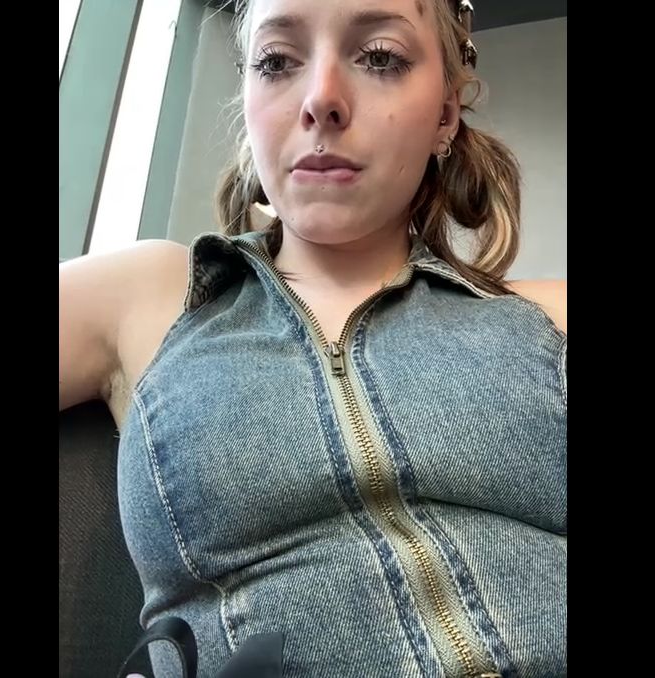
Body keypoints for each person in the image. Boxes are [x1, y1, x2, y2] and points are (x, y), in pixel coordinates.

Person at [60, 0, 566, 675]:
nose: (321, 98)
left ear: (445, 113)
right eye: (277, 62)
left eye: (379, 57)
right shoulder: (147, 297)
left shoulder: (547, 319)